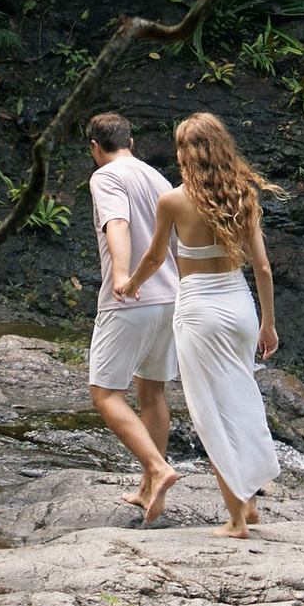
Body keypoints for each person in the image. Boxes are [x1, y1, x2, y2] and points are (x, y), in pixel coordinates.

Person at [126, 110, 279, 538]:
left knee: (211, 412)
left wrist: (131, 284)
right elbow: (263, 269)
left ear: (185, 154)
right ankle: (247, 502)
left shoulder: (173, 201)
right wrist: (268, 324)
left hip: (199, 312)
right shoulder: (244, 195)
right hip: (240, 307)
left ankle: (235, 520)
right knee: (241, 401)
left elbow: (156, 258)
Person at [84, 110, 178, 523]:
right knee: (152, 391)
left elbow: (116, 223)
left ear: (94, 148)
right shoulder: (157, 178)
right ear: (131, 143)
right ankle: (147, 490)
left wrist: (122, 275)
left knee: (105, 394)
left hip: (132, 299)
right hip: (171, 298)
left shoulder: (105, 177)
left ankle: (158, 469)